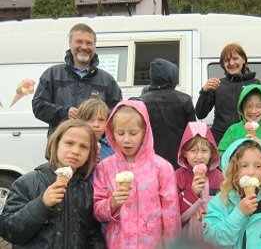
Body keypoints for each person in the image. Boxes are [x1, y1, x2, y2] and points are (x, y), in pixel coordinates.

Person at [0, 119, 105, 248]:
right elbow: (9, 231)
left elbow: (93, 235)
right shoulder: (26, 183)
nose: (76, 151)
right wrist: (42, 204)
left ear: (90, 154)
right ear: (56, 144)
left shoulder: (88, 189)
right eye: (69, 143)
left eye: (83, 146)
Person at [92, 100, 181, 249]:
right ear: (111, 133)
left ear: (145, 132)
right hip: (117, 244)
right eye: (120, 133)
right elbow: (97, 211)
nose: (126, 140)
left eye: (133, 133)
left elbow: (171, 214)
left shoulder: (161, 167)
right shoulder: (104, 168)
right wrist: (112, 203)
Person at [203, 138, 261, 248]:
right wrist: (239, 213)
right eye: (244, 166)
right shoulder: (219, 203)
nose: (251, 172)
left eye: (258, 166)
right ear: (231, 169)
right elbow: (214, 240)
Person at [32, 23, 122, 137]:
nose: (84, 47)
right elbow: (38, 106)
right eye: (79, 42)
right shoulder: (52, 74)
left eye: (89, 43)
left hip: (96, 150)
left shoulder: (107, 80)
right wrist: (64, 113)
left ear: (95, 46)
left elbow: (118, 112)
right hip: (61, 147)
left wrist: (98, 118)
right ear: (70, 43)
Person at [195, 43, 261, 144]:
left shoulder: (255, 84)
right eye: (227, 60)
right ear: (222, 64)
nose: (231, 63)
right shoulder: (217, 85)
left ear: (243, 60)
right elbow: (200, 114)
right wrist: (204, 92)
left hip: (246, 137)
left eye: (235, 58)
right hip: (220, 139)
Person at [140, 58, 196, 169]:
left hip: (148, 161)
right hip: (178, 162)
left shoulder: (140, 101)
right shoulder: (184, 100)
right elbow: (192, 135)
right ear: (172, 76)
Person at [176, 122, 224, 241]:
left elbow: (225, 211)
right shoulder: (177, 177)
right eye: (193, 150)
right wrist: (192, 193)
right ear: (184, 152)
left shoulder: (219, 177)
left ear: (212, 153)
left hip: (213, 240)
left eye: (204, 150)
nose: (199, 156)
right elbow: (175, 217)